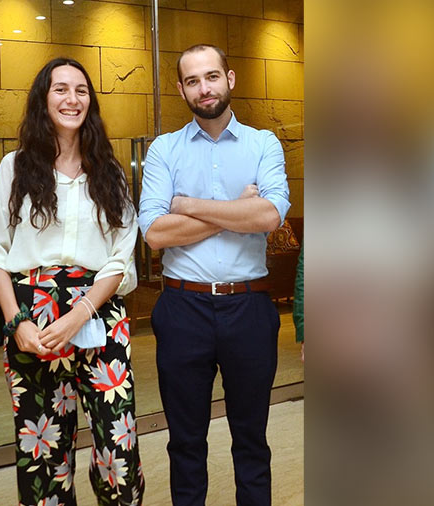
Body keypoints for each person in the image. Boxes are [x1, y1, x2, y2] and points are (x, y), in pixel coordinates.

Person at [138, 44, 290, 505]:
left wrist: (187, 206)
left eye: (211, 77)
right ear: (182, 89)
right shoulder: (165, 149)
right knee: (185, 443)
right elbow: (156, 233)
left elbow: (270, 216)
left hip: (249, 308)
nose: (203, 88)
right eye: (192, 80)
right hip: (183, 309)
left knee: (252, 441)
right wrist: (236, 208)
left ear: (230, 79)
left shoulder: (264, 143)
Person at [0, 58, 144, 505]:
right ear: (44, 99)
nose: (72, 99)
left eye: (81, 90)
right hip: (32, 317)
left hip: (100, 310)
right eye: (60, 89)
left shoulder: (109, 172)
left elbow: (121, 257)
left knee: (118, 447)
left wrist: (81, 312)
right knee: (43, 448)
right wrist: (16, 321)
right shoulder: (14, 168)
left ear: (90, 102)